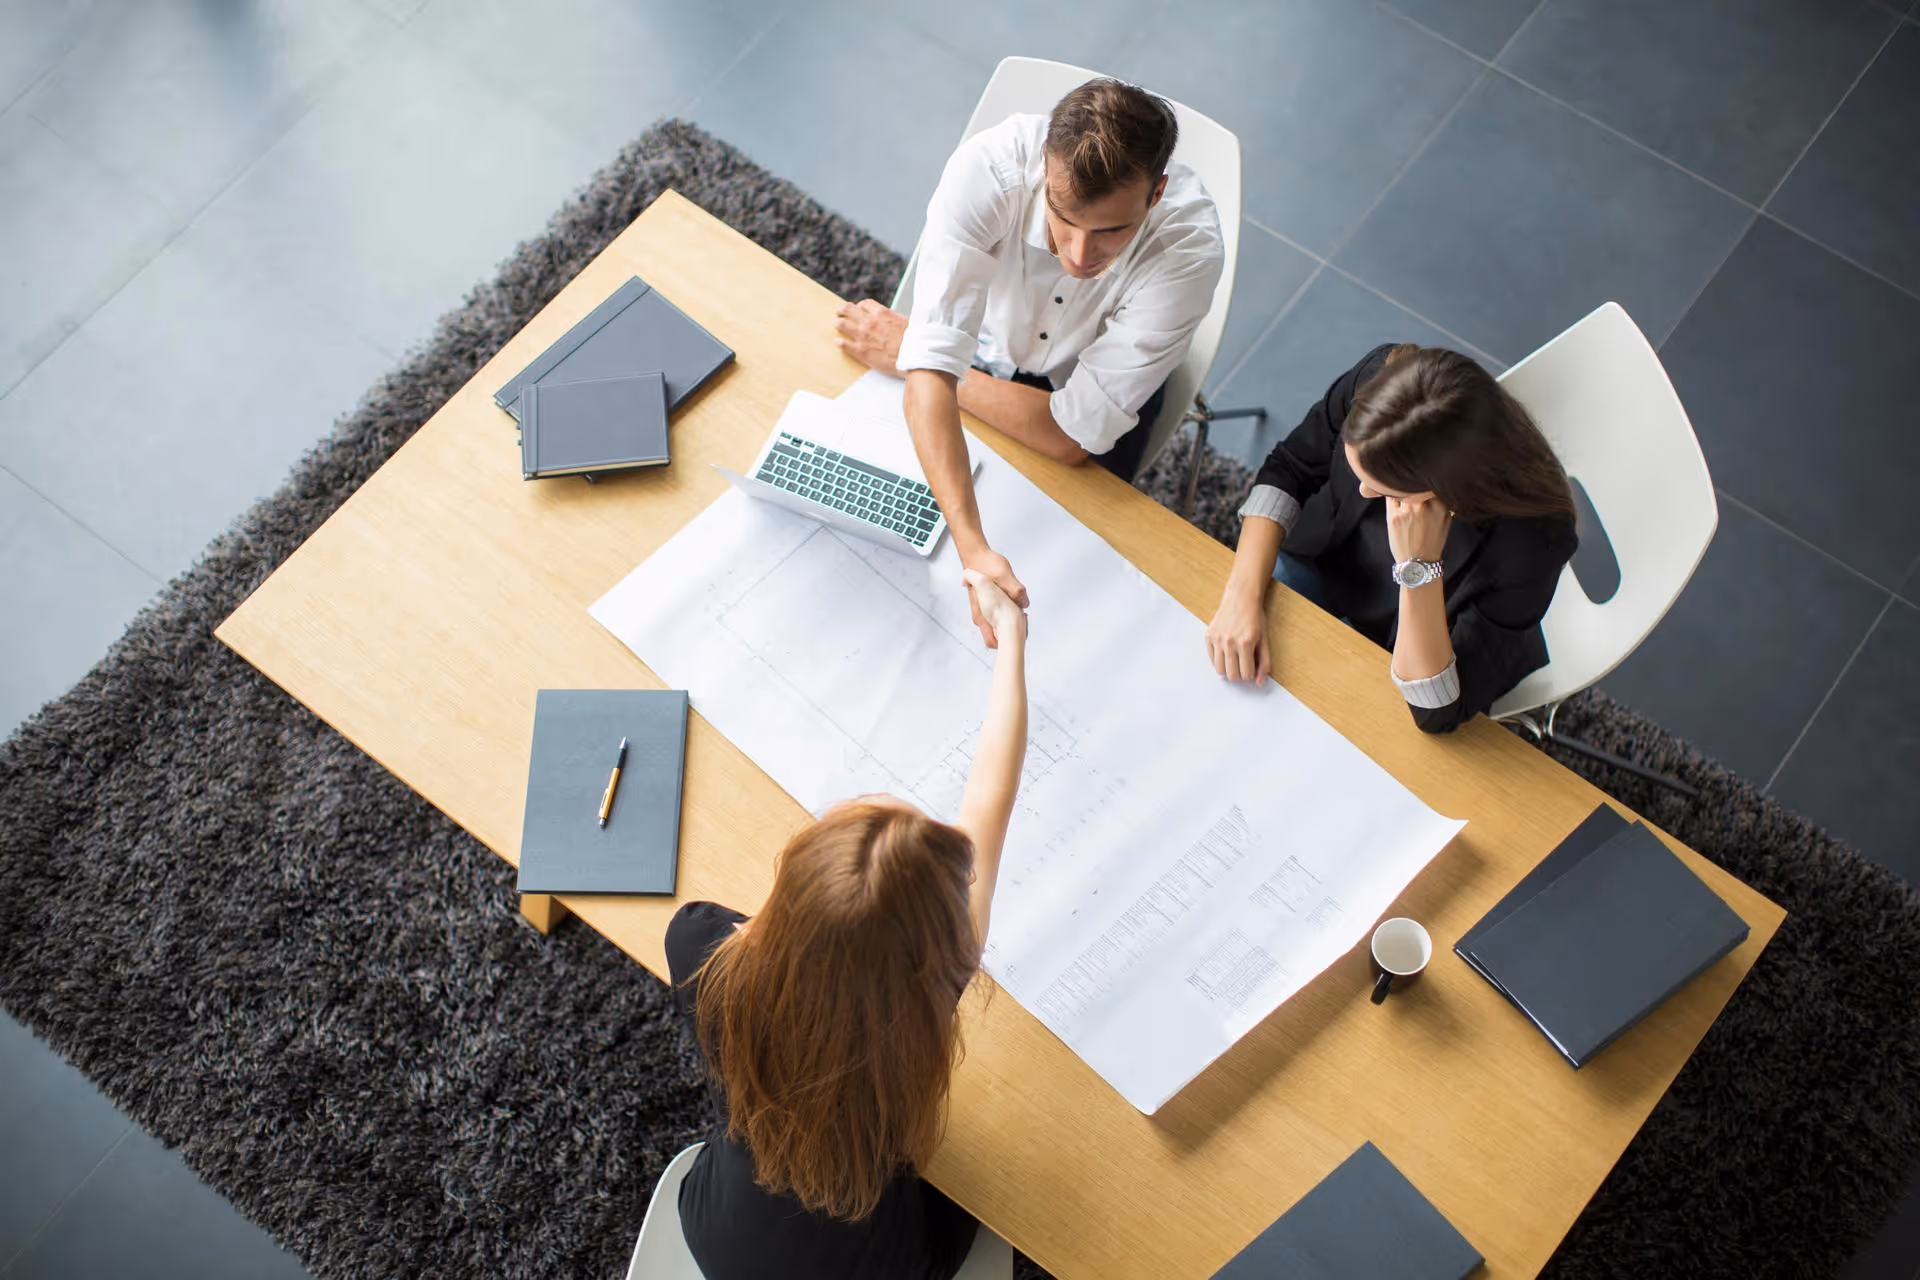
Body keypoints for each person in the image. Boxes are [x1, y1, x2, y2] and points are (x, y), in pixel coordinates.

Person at [665, 571, 1029, 1280]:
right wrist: (1011, 635)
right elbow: (995, 791)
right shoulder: (919, 1013)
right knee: (991, 1208)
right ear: (930, 952)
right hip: (879, 1268)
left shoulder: (702, 947)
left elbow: (790, 940)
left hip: (720, 1236)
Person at [832, 78, 1224, 648]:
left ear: (1157, 193)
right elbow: (929, 377)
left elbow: (1073, 436)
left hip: (1083, 390)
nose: (1080, 255)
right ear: (1045, 167)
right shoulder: (990, 170)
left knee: (1072, 587)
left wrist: (917, 357)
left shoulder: (1188, 252)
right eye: (1065, 218)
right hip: (989, 348)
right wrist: (973, 547)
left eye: (1112, 230)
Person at [1204, 344, 1578, 734]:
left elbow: (1436, 711)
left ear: (1445, 491)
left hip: (1422, 637)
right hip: (1324, 558)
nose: (1363, 492)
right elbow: (1290, 468)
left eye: (1387, 492)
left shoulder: (1531, 543)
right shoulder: (1381, 379)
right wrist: (1240, 599)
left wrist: (1418, 567)